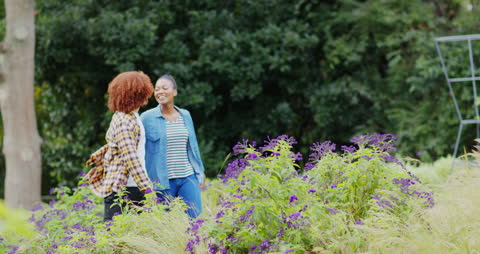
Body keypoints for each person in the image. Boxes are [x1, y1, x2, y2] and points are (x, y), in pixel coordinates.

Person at [84, 71, 154, 221]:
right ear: (136, 95)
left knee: (140, 237)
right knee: (115, 238)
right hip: (123, 188)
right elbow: (131, 158)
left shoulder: (132, 117)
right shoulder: (124, 122)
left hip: (132, 186)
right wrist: (148, 189)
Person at [141, 74, 205, 218]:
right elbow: (138, 148)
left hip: (188, 177)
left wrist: (199, 170)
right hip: (162, 182)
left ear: (174, 91)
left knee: (195, 219)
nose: (160, 92)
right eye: (157, 89)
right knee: (164, 224)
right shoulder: (146, 117)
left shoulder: (185, 115)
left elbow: (193, 146)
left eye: (165, 88)